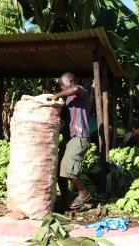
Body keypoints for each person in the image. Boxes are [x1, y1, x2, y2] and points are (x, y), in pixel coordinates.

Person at [48, 72, 91, 209]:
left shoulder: (80, 91)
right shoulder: (68, 99)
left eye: (62, 84)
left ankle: (84, 193)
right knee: (58, 170)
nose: (61, 87)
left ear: (71, 80)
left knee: (69, 169)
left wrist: (56, 96)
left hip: (79, 136)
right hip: (69, 138)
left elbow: (76, 89)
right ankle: (65, 199)